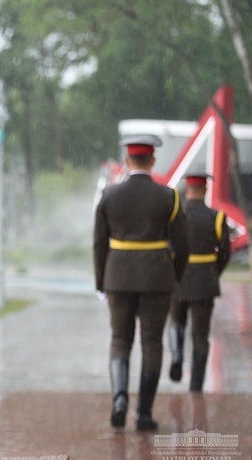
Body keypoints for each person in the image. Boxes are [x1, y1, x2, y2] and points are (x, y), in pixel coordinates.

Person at [93, 134, 189, 431]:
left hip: (118, 278)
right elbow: (183, 245)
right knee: (151, 343)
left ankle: (120, 399)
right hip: (157, 279)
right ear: (152, 161)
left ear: (126, 161)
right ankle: (144, 413)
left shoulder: (109, 195)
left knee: (120, 340)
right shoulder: (169, 196)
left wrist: (101, 281)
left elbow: (99, 243)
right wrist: (174, 275)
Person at [168, 173, 230, 392]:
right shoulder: (217, 217)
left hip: (178, 279)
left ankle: (176, 355)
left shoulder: (177, 216)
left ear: (187, 191)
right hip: (204, 280)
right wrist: (214, 271)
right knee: (200, 336)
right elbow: (224, 252)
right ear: (204, 191)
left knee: (176, 322)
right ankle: (196, 386)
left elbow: (168, 247)